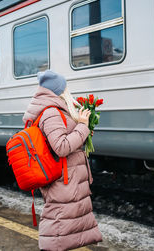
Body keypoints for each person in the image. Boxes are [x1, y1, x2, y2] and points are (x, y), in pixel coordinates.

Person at [22, 70, 103, 251]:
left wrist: (83, 133)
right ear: (58, 89)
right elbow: (61, 146)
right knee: (58, 223)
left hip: (67, 177)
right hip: (62, 178)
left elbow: (65, 138)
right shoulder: (51, 112)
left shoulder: (54, 109)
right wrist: (82, 126)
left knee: (64, 226)